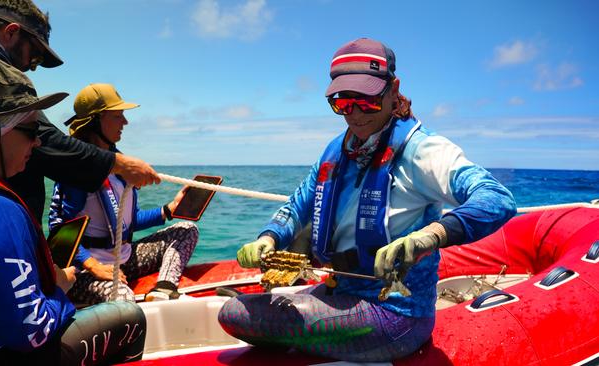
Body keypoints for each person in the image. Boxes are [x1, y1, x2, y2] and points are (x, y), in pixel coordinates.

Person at [217, 38, 517, 362]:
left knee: (235, 314)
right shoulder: (336, 150)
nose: (355, 114)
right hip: (339, 289)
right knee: (239, 311)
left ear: (393, 89)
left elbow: (497, 198)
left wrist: (430, 236)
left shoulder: (422, 151)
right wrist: (268, 237)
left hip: (395, 313)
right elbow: (297, 206)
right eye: (342, 103)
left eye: (367, 101)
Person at [0, 52, 145, 365]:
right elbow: (30, 333)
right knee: (129, 317)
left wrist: (166, 212)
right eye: (31, 131)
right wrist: (59, 287)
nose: (38, 144)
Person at [0, 0, 160, 221]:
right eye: (35, 55)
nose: (32, 67)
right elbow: (44, 139)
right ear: (11, 32)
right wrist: (118, 164)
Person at [48, 83, 199, 305]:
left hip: (124, 259)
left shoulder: (120, 167)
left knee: (187, 230)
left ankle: (163, 289)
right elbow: (59, 231)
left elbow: (125, 224)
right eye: (118, 116)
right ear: (96, 120)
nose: (125, 122)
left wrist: (167, 211)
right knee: (123, 298)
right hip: (85, 271)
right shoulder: (77, 170)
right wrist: (93, 266)